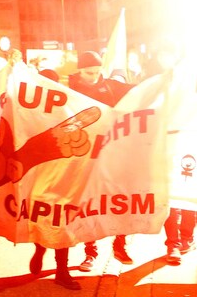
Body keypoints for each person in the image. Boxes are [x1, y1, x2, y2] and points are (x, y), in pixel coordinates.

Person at [69, 52, 134, 268]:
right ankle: (90, 252)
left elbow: (140, 91)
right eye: (89, 73)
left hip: (112, 153)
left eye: (97, 72)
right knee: (87, 203)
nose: (94, 77)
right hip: (85, 155)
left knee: (120, 200)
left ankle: (120, 245)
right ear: (79, 71)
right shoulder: (69, 90)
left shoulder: (111, 86)